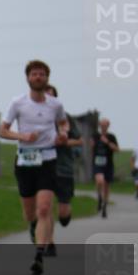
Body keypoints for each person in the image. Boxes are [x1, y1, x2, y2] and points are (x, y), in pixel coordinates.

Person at [0, 60, 66, 275]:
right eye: (34, 74)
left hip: (48, 158)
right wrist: (22, 136)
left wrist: (63, 133)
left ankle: (39, 255)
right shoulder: (17, 103)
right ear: (28, 78)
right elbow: (3, 130)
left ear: (47, 78)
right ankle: (33, 226)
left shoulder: (55, 104)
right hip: (26, 160)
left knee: (44, 208)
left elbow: (64, 123)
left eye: (42, 74)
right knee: (29, 212)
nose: (38, 77)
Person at [45, 84, 82, 256]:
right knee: (45, 206)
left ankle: (66, 214)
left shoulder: (65, 118)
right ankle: (49, 243)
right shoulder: (34, 117)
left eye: (51, 95)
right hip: (44, 166)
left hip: (64, 167)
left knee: (63, 213)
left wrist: (64, 142)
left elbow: (80, 141)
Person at [92, 118, 119, 218]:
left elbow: (117, 149)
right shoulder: (95, 136)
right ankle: (99, 197)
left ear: (108, 126)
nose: (103, 127)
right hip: (98, 163)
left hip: (108, 164)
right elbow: (91, 147)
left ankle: (104, 206)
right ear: (99, 126)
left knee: (106, 186)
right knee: (100, 181)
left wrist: (107, 142)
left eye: (105, 126)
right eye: (101, 126)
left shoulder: (111, 137)